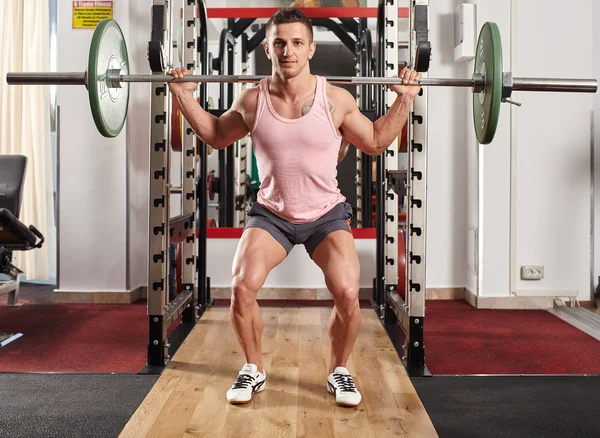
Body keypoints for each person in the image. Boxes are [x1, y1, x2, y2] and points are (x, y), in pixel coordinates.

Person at [168, 7, 421, 407]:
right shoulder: (252, 100)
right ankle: (254, 369)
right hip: (272, 215)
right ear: (268, 48)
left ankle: (339, 371)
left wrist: (405, 100)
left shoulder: (335, 99)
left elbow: (373, 141)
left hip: (325, 214)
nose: (289, 50)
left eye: (297, 43)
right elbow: (216, 135)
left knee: (349, 293)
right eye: (280, 43)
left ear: (310, 49)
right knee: (241, 287)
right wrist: (183, 96)